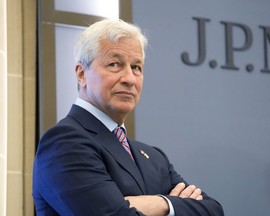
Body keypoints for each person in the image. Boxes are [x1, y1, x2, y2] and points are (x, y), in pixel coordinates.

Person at [32, 19, 224, 216]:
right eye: (115, 64)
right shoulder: (65, 142)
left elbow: (213, 210)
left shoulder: (154, 158)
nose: (130, 79)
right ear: (82, 74)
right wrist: (175, 205)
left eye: (136, 67)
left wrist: (162, 203)